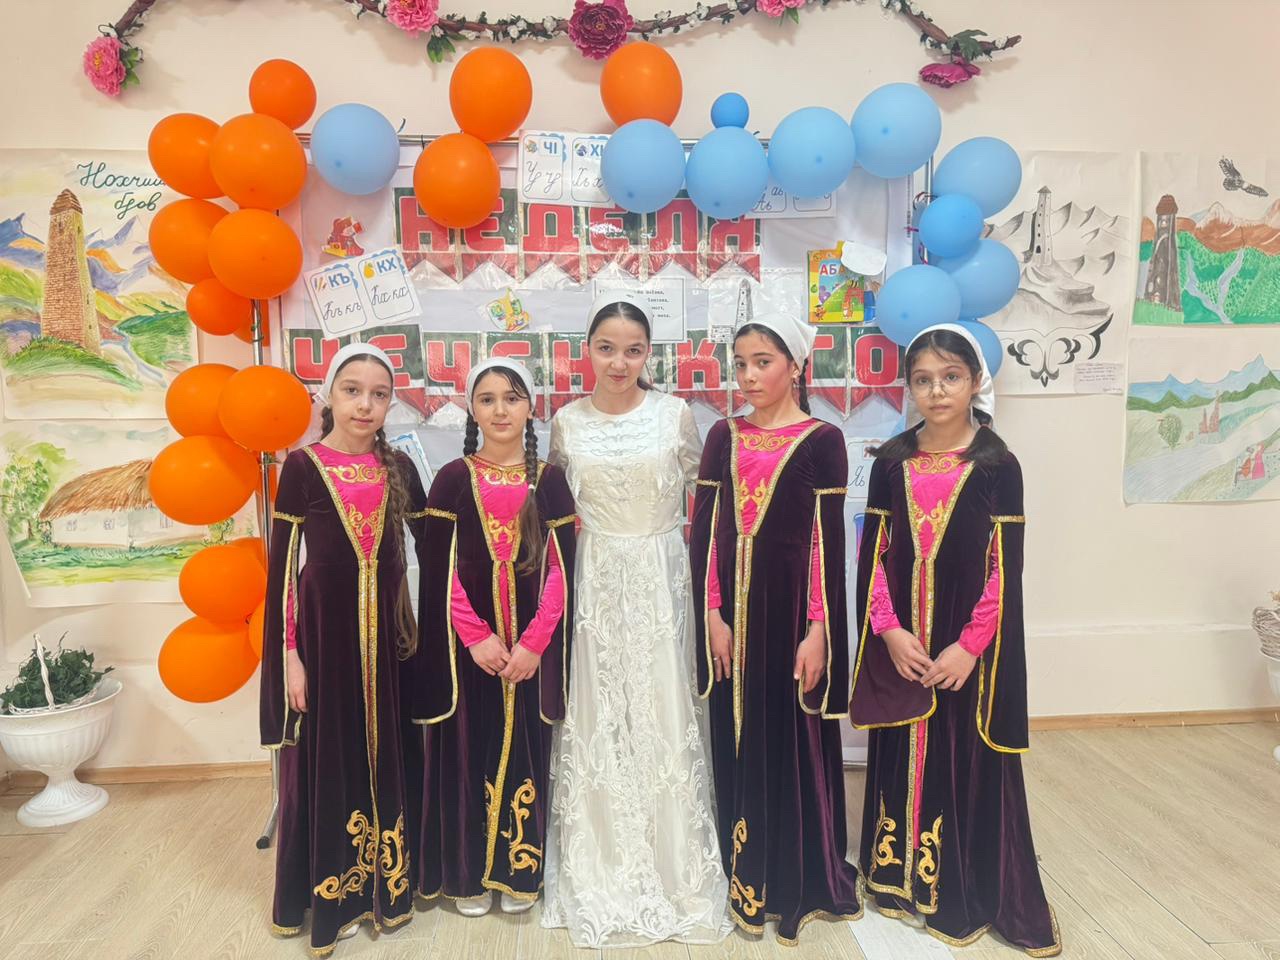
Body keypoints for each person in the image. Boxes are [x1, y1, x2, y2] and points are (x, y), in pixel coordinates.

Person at [850, 324, 1060, 956]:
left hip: (964, 652)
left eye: (950, 377)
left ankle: (955, 885)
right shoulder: (891, 461)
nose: (937, 391)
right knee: (902, 746)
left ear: (974, 382)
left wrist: (970, 645)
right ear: (909, 388)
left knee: (959, 755)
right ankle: (894, 879)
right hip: (905, 645)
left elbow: (1003, 569)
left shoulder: (997, 465)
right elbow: (875, 554)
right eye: (923, 380)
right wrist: (888, 629)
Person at [540, 294, 731, 948]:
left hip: (661, 575)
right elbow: (555, 510)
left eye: (633, 350)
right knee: (600, 711)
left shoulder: (675, 415)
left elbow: (706, 505)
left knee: (662, 708)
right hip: (594, 578)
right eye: (606, 348)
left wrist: (710, 594)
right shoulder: (566, 423)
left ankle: (676, 864)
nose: (619, 362)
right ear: (586, 352)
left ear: (649, 353)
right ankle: (602, 857)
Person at [689, 313, 862, 943]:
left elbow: (824, 543)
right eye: (740, 364)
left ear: (795, 366)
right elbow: (708, 534)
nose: (748, 376)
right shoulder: (724, 436)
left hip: (790, 618)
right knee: (735, 736)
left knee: (790, 736)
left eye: (763, 362)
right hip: (731, 622)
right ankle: (743, 869)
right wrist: (712, 613)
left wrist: (818, 629)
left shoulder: (823, 440)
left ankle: (792, 872)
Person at [260, 343, 428, 956]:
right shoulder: (302, 467)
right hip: (324, 644)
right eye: (352, 390)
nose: (365, 405)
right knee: (332, 757)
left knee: (387, 753)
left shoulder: (398, 467)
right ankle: (339, 894)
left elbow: (437, 547)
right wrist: (290, 656)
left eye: (379, 394)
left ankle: (389, 886)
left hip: (389, 645)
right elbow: (283, 571)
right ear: (329, 396)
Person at [412, 358, 576, 917]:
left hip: (530, 652)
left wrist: (534, 642)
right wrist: (476, 636)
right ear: (471, 409)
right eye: (487, 399)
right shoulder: (452, 479)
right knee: (467, 753)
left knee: (527, 751)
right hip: (471, 655)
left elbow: (562, 569)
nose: (500, 410)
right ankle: (467, 878)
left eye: (512, 398)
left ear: (531, 407)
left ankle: (517, 873)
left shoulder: (549, 480)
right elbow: (440, 568)